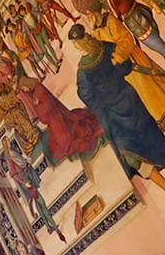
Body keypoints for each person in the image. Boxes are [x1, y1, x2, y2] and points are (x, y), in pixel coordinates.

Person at [69, 24, 165, 190]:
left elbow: (87, 97)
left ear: (78, 44)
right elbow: (125, 66)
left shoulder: (83, 71)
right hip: (130, 99)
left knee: (131, 155)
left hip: (113, 114)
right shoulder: (105, 46)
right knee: (152, 138)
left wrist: (100, 100)